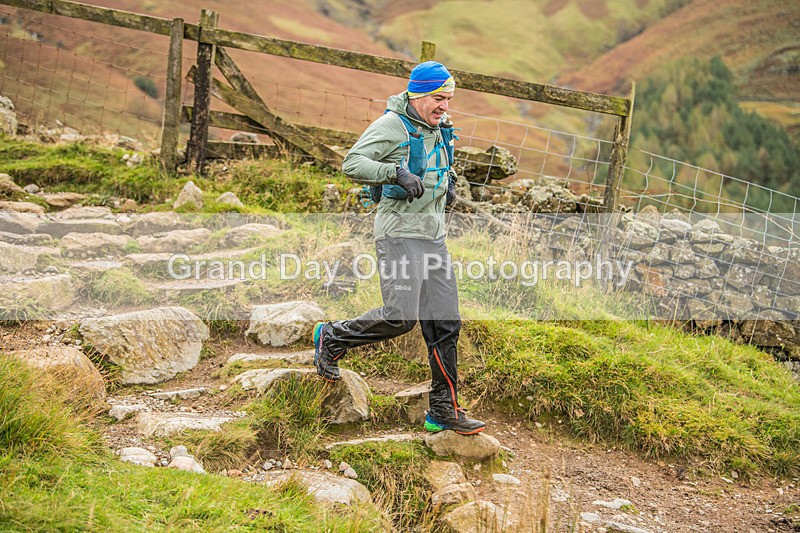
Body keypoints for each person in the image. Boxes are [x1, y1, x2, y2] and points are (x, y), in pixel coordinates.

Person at [312, 61, 486, 436]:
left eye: (449, 99)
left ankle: (442, 410)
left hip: (432, 236)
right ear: (419, 95)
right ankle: (331, 336)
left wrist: (446, 184)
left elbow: (438, 164)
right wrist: (394, 173)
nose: (445, 106)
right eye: (439, 98)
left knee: (445, 323)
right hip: (399, 235)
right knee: (400, 316)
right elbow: (351, 162)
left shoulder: (437, 127)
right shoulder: (391, 125)